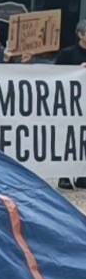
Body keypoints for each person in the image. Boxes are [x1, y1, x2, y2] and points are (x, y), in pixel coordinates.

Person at [56, 20, 86, 190]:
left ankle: (82, 174)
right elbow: (56, 75)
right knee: (67, 138)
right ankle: (64, 175)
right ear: (80, 35)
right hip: (69, 104)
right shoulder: (67, 54)